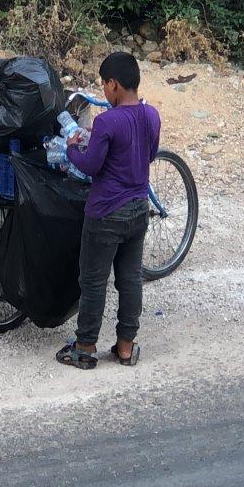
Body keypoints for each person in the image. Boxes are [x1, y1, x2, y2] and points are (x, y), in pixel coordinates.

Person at [56, 52, 160, 370]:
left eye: (104, 84)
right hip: (138, 209)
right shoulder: (151, 115)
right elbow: (150, 153)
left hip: (105, 213)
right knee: (129, 280)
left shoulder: (107, 121)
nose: (103, 90)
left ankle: (85, 347)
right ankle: (126, 348)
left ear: (113, 84)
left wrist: (72, 146)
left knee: (94, 281)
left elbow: (91, 165)